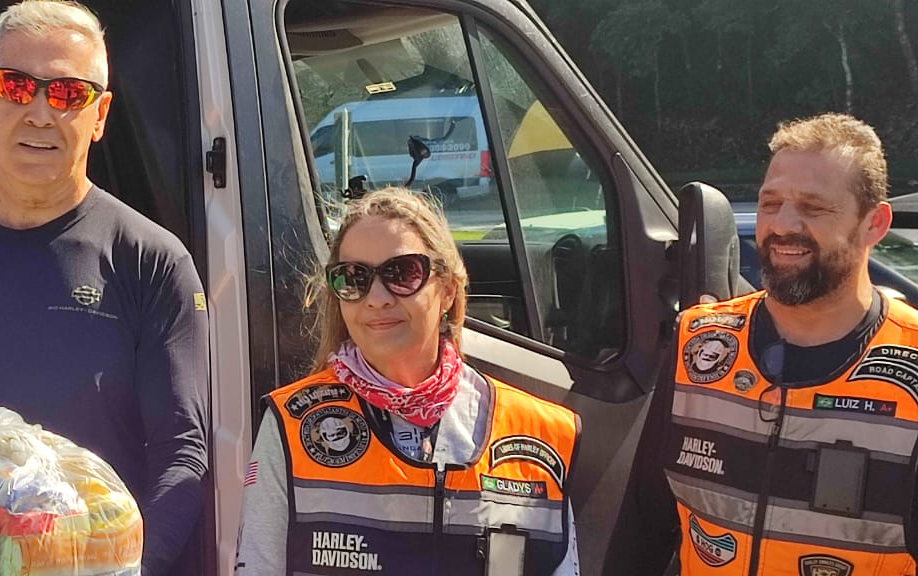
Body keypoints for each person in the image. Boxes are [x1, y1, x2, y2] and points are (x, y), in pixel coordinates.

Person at [0, 2, 209, 574]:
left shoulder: (151, 261)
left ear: (100, 115)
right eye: (17, 86)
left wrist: (131, 570)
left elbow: (182, 454)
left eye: (69, 94)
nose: (40, 113)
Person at [235, 187, 582, 576]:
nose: (377, 298)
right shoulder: (292, 426)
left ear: (447, 290)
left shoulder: (539, 435)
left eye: (402, 273)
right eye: (353, 278)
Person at [637, 113, 918, 575]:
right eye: (770, 203)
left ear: (874, 223)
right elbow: (645, 529)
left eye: (813, 207)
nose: (783, 225)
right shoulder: (699, 342)